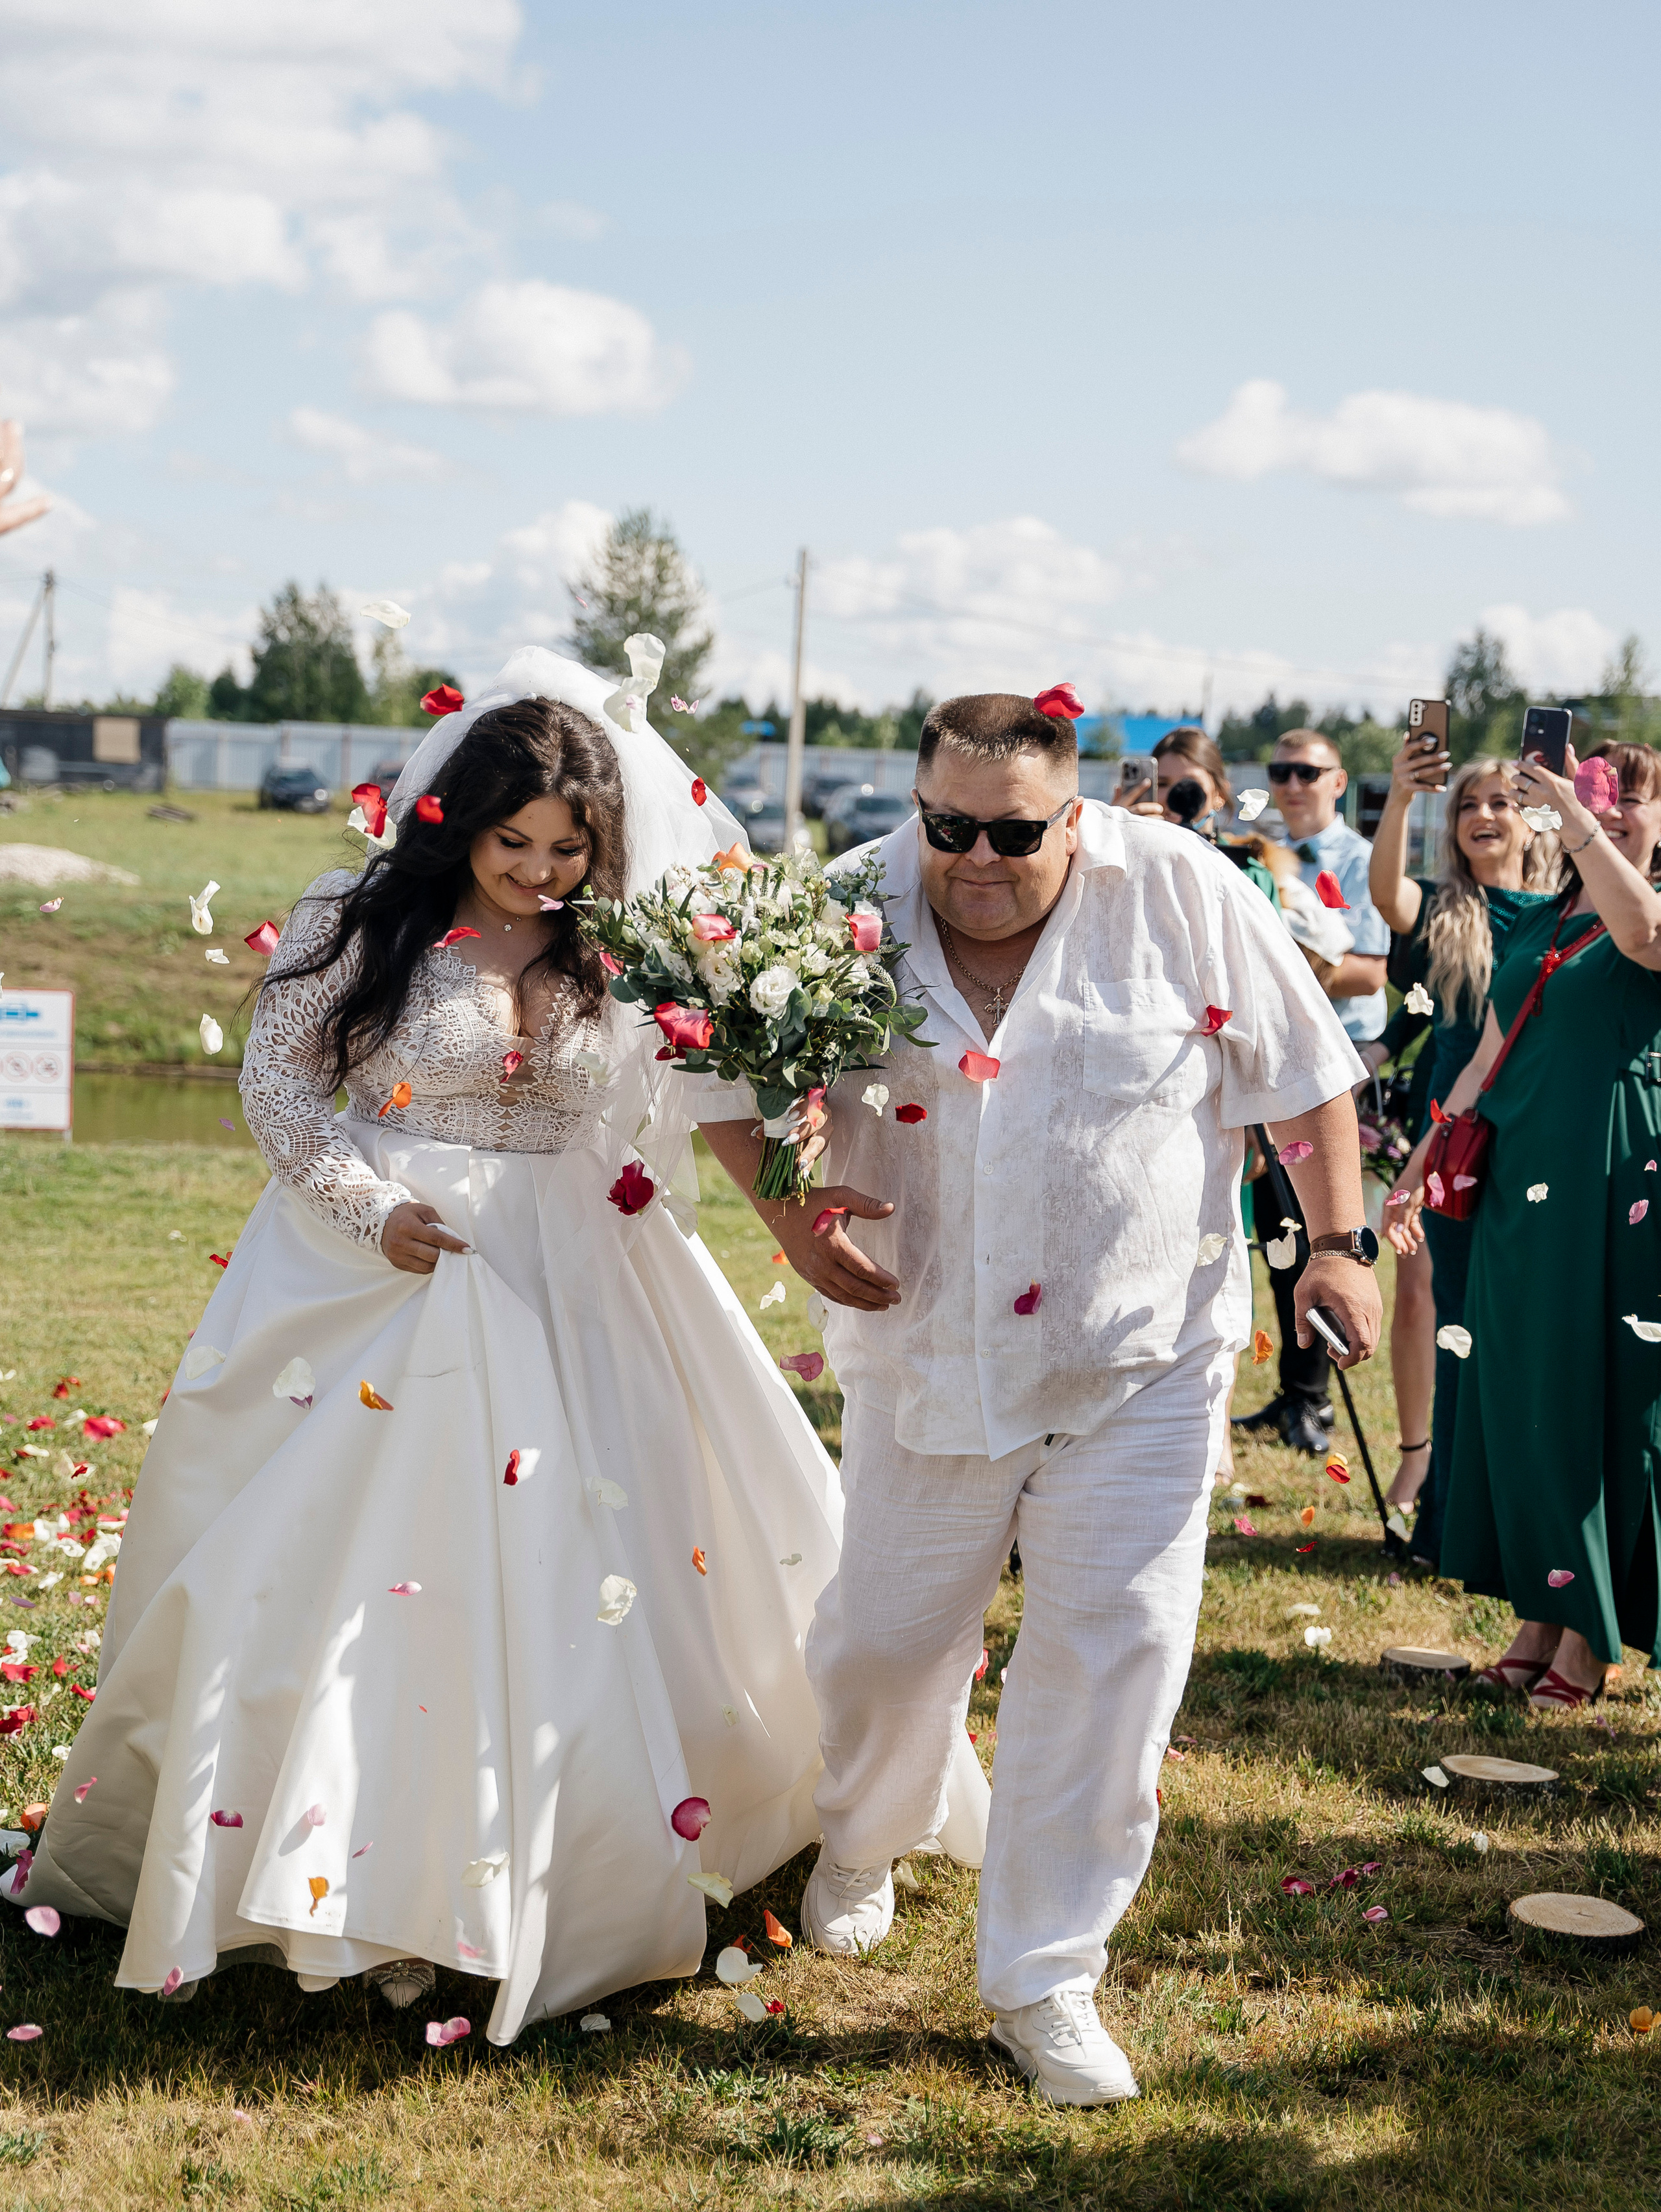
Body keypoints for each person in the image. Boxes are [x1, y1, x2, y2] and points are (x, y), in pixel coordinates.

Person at [16, 648, 984, 2042]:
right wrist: (369, 1205)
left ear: (603, 845)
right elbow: (278, 1083)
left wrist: (787, 1172)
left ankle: (583, 1840)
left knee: (617, 1553)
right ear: (453, 823)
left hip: (590, 1261)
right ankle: (372, 1869)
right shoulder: (360, 920)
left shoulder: (633, 944)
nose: (535, 869)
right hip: (391, 1268)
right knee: (382, 1576)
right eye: (510, 841)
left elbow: (702, 1081)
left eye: (564, 848)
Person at [697, 688, 1379, 2104]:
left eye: (1013, 831)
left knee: (1113, 1649)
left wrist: (1333, 1244)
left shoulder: (1183, 891)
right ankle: (863, 1836)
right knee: (883, 1645)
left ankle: (1045, 1976)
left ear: (1075, 816)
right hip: (927, 1352)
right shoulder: (841, 902)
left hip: (1139, 1357)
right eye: (947, 826)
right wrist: (789, 1218)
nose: (977, 858)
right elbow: (716, 1078)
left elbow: (1308, 1075)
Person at [1390, 739, 1661, 1707]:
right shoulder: (1544, 919)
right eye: (1597, 793)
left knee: (1599, 1398)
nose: (1611, 809)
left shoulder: (1644, 910)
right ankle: (1542, 1610)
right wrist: (1424, 1157)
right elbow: (1487, 1056)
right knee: (1526, 1395)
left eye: (1631, 798)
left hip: (1613, 1175)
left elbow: (1643, 939)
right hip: (1519, 1184)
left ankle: (1593, 1632)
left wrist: (1583, 823)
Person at [1366, 743, 1557, 1561]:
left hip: (1538, 1135)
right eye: (1470, 803)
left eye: (1502, 802)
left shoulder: (1562, 910)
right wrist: (1403, 799)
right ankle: (1447, 1523)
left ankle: (1505, 1519)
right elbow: (1384, 896)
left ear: (1529, 820)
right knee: (1458, 1328)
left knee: (1518, 1331)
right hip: (1453, 1137)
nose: (1484, 814)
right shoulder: (1444, 910)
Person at [1232, 728, 1388, 1454]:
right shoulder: (1256, 849)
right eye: (1279, 770)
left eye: (1306, 771)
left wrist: (1286, 966)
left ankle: (1314, 1403)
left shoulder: (1360, 863)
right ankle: (1291, 1390)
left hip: (1333, 1066)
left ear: (1337, 780)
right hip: (1266, 1063)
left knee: (1318, 1228)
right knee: (1277, 1235)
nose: (1292, 783)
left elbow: (1369, 971)